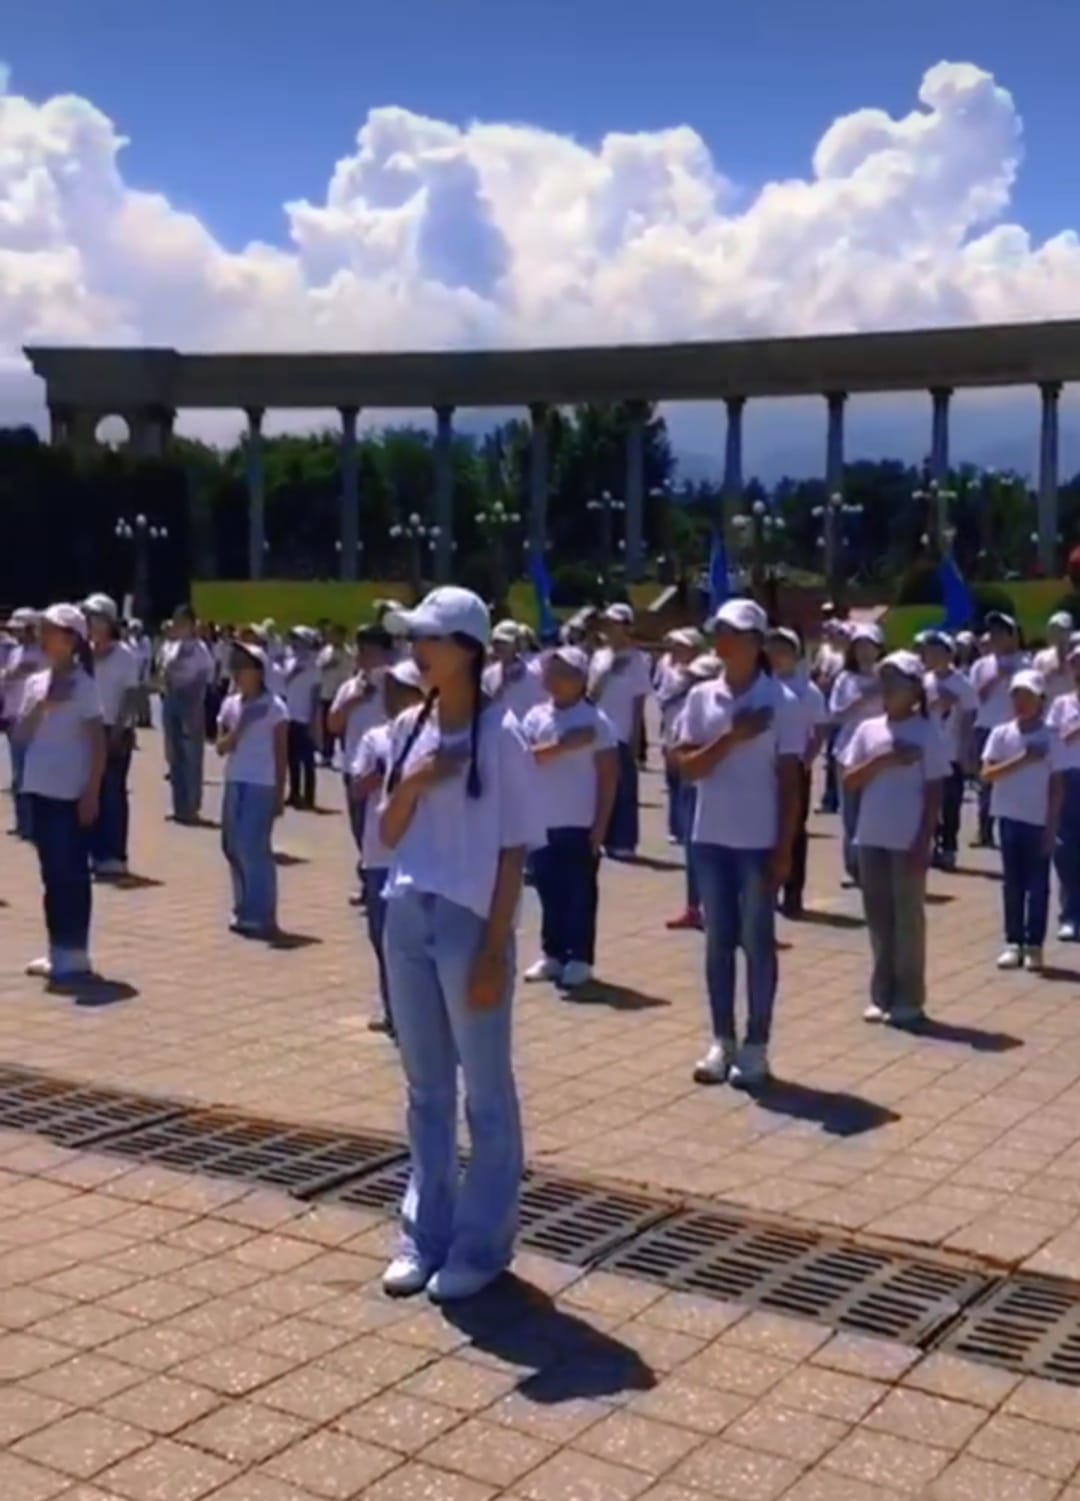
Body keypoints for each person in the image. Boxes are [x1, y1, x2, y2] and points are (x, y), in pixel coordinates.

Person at [377, 586, 543, 1302]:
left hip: (469, 919)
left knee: (486, 1092)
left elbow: (513, 851)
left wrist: (494, 950)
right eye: (413, 637)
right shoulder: (408, 727)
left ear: (469, 650)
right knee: (426, 1088)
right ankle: (424, 1234)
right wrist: (415, 782)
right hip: (406, 912)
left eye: (431, 638)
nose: (417, 650)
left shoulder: (502, 735)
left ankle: (481, 1244)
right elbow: (386, 832)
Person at [674, 598, 802, 1088]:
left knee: (758, 943)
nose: (720, 640)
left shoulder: (782, 701)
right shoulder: (701, 697)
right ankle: (721, 1039)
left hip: (758, 840)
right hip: (710, 836)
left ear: (755, 642)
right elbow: (688, 767)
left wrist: (785, 848)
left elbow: (790, 781)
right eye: (718, 631)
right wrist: (732, 736)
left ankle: (756, 1044)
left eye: (731, 632)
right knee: (718, 942)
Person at [841, 651, 950, 1026]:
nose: (888, 689)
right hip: (871, 835)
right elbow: (850, 780)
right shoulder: (868, 730)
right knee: (878, 918)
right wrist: (882, 761)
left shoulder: (927, 732)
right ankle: (881, 993)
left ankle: (910, 997)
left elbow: (934, 791)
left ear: (915, 690)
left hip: (907, 838)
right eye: (884, 680)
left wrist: (924, 840)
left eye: (897, 682)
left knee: (908, 921)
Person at [15, 604, 105, 982]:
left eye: (52, 631)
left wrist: (92, 792)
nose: (44, 637)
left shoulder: (84, 685)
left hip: (69, 792)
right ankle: (58, 950)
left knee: (71, 872)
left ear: (71, 640)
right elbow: (21, 734)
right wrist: (42, 705)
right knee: (51, 873)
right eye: (44, 630)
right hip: (38, 787)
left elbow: (98, 743)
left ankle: (75, 950)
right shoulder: (37, 682)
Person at [520, 646, 618, 990]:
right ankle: (553, 954)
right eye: (551, 672)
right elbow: (522, 760)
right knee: (548, 891)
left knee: (579, 894)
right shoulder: (535, 717)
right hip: (541, 820)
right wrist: (562, 745)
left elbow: (608, 776)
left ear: (580, 679)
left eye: (563, 673)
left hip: (579, 822)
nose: (554, 679)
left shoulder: (596, 721)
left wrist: (601, 825)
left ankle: (580, 958)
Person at [347, 658, 426, 1033]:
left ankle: (419, 1014)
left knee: (416, 942)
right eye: (389, 689)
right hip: (379, 854)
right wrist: (378, 774)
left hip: (419, 856)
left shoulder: (434, 737)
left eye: (401, 689)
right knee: (382, 938)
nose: (391, 696)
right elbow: (357, 788)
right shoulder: (374, 738)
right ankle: (394, 1008)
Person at [981, 668, 1064, 973]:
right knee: (1012, 883)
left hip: (1038, 820)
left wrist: (1052, 826)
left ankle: (1034, 945)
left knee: (1038, 885)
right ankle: (1012, 941)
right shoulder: (1001, 733)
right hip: (1009, 818)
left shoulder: (1051, 737)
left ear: (1041, 699)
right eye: (1016, 695)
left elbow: (1056, 784)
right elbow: (987, 774)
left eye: (1028, 695)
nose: (1021, 702)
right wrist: (1022, 760)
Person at [215, 643, 288, 939]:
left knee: (253, 847)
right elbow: (221, 747)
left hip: (262, 783)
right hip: (235, 780)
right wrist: (241, 725)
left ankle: (261, 914)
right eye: (235, 666)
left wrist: (280, 793)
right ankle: (242, 906)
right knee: (232, 845)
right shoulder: (230, 704)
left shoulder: (275, 707)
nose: (238, 672)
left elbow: (281, 753)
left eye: (244, 666)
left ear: (259, 671)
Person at [329, 624, 396, 904]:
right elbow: (333, 723)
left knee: (384, 831)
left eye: (369, 651)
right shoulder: (350, 687)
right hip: (354, 769)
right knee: (360, 829)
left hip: (386, 771)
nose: (362, 656)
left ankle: (384, 883)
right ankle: (369, 881)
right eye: (360, 650)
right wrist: (353, 702)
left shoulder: (395, 685)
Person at [767, 626, 828, 917]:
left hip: (794, 768)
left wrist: (806, 759)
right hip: (765, 768)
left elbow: (820, 729)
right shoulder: (764, 685)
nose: (778, 656)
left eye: (784, 650)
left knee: (794, 831)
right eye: (773, 649)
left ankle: (793, 893)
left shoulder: (807, 690)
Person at [587, 603, 651, 858]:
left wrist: (636, 737)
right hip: (598, 729)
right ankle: (603, 836)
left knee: (624, 786)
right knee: (600, 786)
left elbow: (639, 703)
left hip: (622, 730)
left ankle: (624, 841)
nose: (612, 628)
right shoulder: (600, 656)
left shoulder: (637, 660)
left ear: (627, 627)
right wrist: (607, 672)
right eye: (609, 623)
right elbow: (591, 694)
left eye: (618, 624)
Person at [665, 652, 722, 932]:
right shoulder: (687, 705)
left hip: (711, 788)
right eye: (691, 678)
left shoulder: (718, 710)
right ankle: (692, 907)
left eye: (699, 679)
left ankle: (717, 908)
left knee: (711, 851)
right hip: (686, 784)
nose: (692, 684)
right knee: (691, 848)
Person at [83, 594, 140, 879]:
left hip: (114, 729)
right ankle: (94, 851)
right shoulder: (83, 655)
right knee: (89, 791)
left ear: (109, 622)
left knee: (112, 792)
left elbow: (131, 695)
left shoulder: (124, 655)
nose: (91, 624)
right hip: (88, 729)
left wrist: (119, 728)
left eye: (96, 618)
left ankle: (114, 854)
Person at [828, 623, 885, 884]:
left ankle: (874, 866)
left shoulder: (888, 678)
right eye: (859, 646)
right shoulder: (845, 679)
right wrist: (861, 700)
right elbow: (836, 714)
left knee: (876, 812)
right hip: (848, 752)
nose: (864, 651)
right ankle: (853, 867)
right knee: (851, 813)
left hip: (879, 751)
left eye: (869, 646)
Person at [970, 612, 1028, 849]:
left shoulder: (1025, 663)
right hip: (986, 727)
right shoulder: (981, 665)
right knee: (986, 782)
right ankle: (984, 830)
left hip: (1015, 729)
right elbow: (975, 698)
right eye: (992, 632)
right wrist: (996, 678)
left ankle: (1014, 828)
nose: (995, 637)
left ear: (1013, 636)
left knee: (1015, 779)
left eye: (1001, 633)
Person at [922, 630, 978, 871]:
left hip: (952, 751)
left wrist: (967, 749)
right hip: (928, 750)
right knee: (928, 801)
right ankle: (932, 843)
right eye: (928, 651)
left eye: (937, 651)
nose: (931, 656)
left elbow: (970, 716)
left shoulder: (962, 683)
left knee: (951, 802)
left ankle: (949, 846)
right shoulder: (924, 681)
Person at [160, 605, 214, 824]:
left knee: (191, 755)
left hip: (191, 704)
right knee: (174, 754)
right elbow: (164, 672)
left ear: (192, 625)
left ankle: (192, 806)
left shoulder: (200, 650)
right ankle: (179, 806)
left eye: (183, 623)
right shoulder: (170, 647)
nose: (179, 627)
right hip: (171, 700)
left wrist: (190, 698)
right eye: (177, 622)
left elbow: (204, 678)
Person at [655, 629, 704, 844]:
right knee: (673, 782)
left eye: (681, 646)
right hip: (670, 731)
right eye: (674, 645)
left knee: (688, 784)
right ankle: (675, 827)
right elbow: (660, 695)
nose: (675, 649)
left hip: (691, 734)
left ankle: (688, 827)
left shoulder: (701, 671)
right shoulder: (667, 666)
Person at [1047, 637, 1080, 940]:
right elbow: (1055, 740)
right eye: (1076, 663)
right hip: (1069, 779)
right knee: (1067, 849)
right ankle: (1070, 914)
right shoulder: (1061, 704)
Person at [1, 607, 43, 840]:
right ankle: (23, 822)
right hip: (13, 717)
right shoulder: (16, 652)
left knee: (30, 773)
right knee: (18, 774)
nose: (16, 633)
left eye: (21, 629)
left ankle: (33, 824)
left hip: (31, 719)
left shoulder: (41, 653)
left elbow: (15, 675)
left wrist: (10, 674)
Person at [283, 628, 321, 809]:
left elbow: (315, 693)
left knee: (307, 759)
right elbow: (283, 683)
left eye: (298, 639)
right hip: (290, 713)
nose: (295, 643)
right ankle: (294, 792)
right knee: (292, 758)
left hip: (304, 716)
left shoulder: (314, 664)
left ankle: (309, 796)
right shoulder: (290, 660)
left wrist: (314, 719)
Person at [482, 621, 546, 723]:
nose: (499, 646)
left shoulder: (534, 672)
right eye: (496, 642)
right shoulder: (488, 675)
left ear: (516, 644)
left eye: (504, 642)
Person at [317, 624, 353, 766]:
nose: (333, 638)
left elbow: (351, 671)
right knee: (327, 725)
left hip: (342, 694)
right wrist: (328, 665)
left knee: (344, 726)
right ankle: (327, 754)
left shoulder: (349, 653)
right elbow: (318, 666)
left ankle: (346, 754)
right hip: (328, 692)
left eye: (336, 635)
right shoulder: (326, 651)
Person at [1034, 611, 1075, 701]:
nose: (1057, 634)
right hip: (1049, 705)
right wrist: (1046, 675)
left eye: (1061, 630)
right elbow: (1034, 684)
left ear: (1070, 631)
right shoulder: (1041, 656)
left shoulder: (1076, 655)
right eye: (1053, 629)